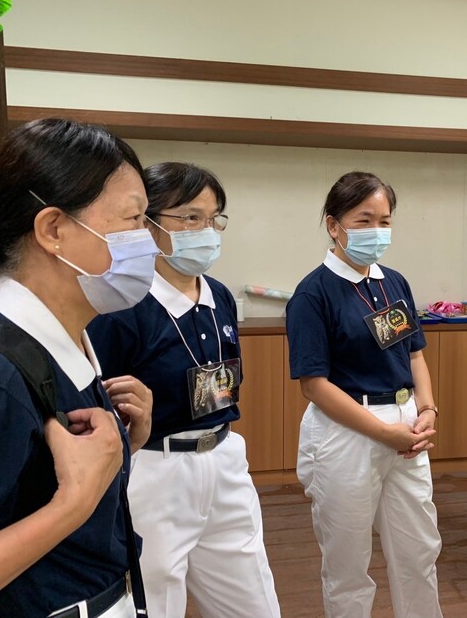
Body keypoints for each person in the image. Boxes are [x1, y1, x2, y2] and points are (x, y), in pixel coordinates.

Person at [0, 118, 157, 617]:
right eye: (133, 219)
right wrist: (73, 504)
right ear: (53, 230)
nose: (149, 242)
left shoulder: (72, 341)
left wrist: (122, 447)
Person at [88, 162, 280, 618]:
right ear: (148, 224)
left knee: (253, 597)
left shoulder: (219, 296)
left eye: (214, 219)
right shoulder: (120, 305)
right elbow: (97, 402)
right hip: (155, 469)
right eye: (191, 217)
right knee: (155, 597)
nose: (206, 231)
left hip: (224, 456)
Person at [286, 171, 442, 618]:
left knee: (419, 549)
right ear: (334, 225)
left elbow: (414, 354)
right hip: (347, 432)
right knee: (348, 563)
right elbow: (314, 385)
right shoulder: (312, 293)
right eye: (364, 220)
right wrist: (383, 432)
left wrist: (427, 408)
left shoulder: (394, 281)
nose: (377, 231)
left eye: (384, 221)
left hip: (407, 426)